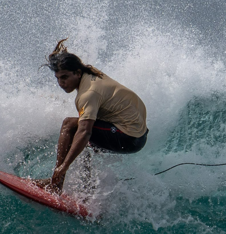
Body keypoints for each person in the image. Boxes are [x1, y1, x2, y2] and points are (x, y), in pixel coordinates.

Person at [39, 39, 148, 192]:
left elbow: (85, 132)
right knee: (84, 143)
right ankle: (88, 189)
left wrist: (63, 167)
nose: (60, 83)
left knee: (70, 125)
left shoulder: (89, 93)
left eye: (64, 77)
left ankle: (56, 184)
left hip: (128, 137)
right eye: (57, 78)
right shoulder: (89, 72)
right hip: (137, 135)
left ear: (77, 73)